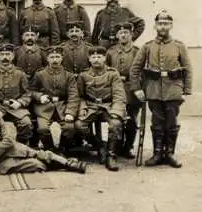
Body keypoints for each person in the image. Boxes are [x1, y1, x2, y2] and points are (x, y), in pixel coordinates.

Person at [130, 10, 192, 168]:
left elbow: (187, 68)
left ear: (170, 25)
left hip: (173, 89)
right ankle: (157, 153)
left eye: (166, 24)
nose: (162, 26)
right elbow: (135, 69)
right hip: (154, 89)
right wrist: (137, 88)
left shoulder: (179, 46)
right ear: (155, 26)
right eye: (160, 23)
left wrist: (186, 90)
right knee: (157, 121)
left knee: (171, 122)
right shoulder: (147, 47)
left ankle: (170, 153)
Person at [0, 96, 87, 175]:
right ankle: (61, 163)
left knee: (39, 154)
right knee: (37, 164)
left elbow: (9, 140)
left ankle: (69, 164)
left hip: (11, 148)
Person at [75, 46, 126, 171]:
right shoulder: (83, 75)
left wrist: (116, 111)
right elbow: (80, 96)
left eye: (99, 57)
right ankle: (100, 146)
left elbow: (119, 95)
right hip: (91, 106)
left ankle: (111, 155)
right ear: (89, 59)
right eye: (93, 57)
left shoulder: (112, 74)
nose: (96, 59)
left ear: (104, 58)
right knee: (79, 125)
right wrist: (82, 108)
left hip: (108, 106)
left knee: (115, 124)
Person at [30, 46, 80, 152]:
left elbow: (73, 95)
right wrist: (39, 97)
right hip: (44, 108)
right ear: (47, 59)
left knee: (69, 128)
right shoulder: (40, 74)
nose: (55, 60)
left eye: (57, 57)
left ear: (62, 58)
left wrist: (70, 112)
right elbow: (31, 91)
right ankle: (50, 149)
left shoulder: (68, 75)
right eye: (52, 57)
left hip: (62, 107)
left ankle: (62, 149)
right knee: (43, 129)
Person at [0, 43, 33, 145]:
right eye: (2, 54)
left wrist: (20, 102)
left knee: (26, 123)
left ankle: (21, 145)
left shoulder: (20, 73)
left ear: (13, 56)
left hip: (16, 108)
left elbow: (27, 93)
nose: (5, 57)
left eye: (8, 54)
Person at [106, 22, 142, 158]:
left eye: (126, 33)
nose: (123, 35)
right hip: (116, 89)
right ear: (117, 35)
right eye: (121, 33)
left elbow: (141, 72)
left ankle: (128, 147)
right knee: (117, 119)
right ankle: (117, 146)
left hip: (132, 88)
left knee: (132, 120)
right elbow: (106, 70)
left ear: (131, 34)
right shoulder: (110, 51)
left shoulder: (138, 51)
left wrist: (139, 88)